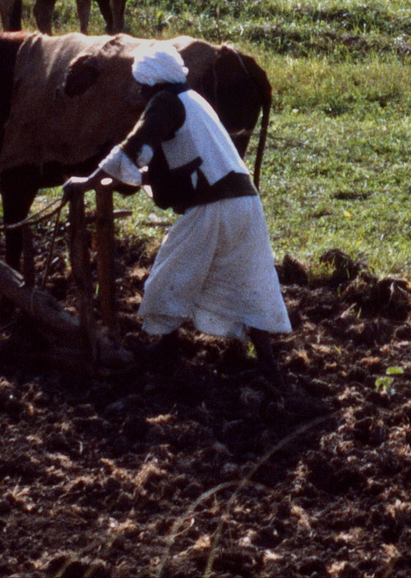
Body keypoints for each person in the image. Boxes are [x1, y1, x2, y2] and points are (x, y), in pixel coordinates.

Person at [62, 44, 291, 386]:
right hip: (246, 203)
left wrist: (88, 181)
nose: (138, 91)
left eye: (141, 84)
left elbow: (136, 145)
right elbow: (180, 159)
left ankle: (168, 349)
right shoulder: (194, 101)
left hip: (214, 206)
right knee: (250, 283)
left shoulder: (165, 103)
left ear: (153, 82)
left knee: (169, 274)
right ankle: (269, 368)